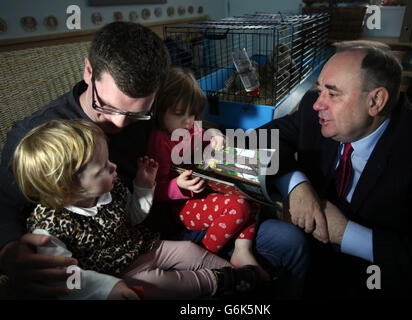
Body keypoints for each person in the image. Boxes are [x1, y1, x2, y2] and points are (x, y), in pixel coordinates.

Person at [0, 21, 308, 299]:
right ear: (89, 72)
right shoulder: (34, 138)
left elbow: (191, 126)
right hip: (114, 253)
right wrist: (10, 250)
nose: (120, 124)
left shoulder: (157, 107)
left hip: (166, 225)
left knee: (290, 240)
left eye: (137, 114)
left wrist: (285, 177)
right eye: (105, 107)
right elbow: (5, 210)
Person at [260, 40, 412, 298]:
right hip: (309, 256)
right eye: (319, 90)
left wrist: (346, 233)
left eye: (333, 93)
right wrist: (296, 185)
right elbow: (256, 141)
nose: (318, 104)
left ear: (376, 101)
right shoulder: (311, 109)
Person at [13, 119, 262, 300]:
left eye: (108, 159)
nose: (114, 167)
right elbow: (67, 277)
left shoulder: (111, 187)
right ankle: (219, 282)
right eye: (102, 167)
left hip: (147, 246)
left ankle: (233, 270)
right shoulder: (49, 227)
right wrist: (106, 288)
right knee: (162, 284)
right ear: (67, 189)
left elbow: (132, 217)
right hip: (117, 273)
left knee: (188, 249)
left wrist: (143, 187)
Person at [147, 67, 269, 280]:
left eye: (193, 114)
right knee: (238, 207)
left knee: (253, 195)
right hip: (181, 208)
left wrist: (217, 136)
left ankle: (242, 250)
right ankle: (205, 258)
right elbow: (154, 190)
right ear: (160, 110)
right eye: (179, 114)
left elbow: (207, 133)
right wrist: (179, 186)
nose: (188, 121)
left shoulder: (192, 129)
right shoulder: (160, 140)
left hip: (207, 192)